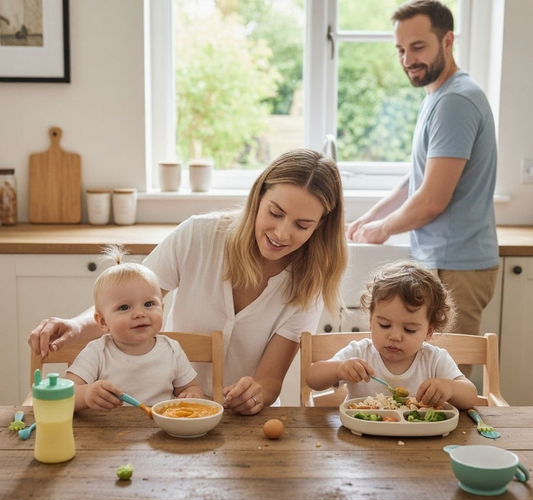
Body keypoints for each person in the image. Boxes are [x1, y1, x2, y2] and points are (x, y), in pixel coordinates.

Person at [28, 148, 348, 415]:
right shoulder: (199, 235)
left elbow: (269, 380)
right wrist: (75, 324)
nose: (281, 233)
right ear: (258, 197)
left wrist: (255, 395)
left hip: (238, 422)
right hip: (169, 411)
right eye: (275, 213)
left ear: (320, 226)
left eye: (302, 225)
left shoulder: (309, 283)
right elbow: (127, 297)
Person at [346, 0, 499, 375]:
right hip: (446, 260)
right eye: (400, 49)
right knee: (427, 384)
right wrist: (370, 216)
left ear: (447, 41)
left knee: (450, 386)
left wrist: (381, 230)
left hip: (457, 265)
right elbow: (417, 177)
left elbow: (431, 200)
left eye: (418, 47)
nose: (407, 59)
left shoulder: (455, 101)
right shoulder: (439, 95)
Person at [306, 260, 478, 410]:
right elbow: (313, 378)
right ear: (371, 321)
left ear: (429, 331)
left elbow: (470, 395)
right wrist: (339, 369)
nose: (395, 336)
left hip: (420, 441)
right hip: (360, 440)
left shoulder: (434, 359)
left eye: (409, 329)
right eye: (384, 325)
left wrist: (449, 388)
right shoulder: (359, 353)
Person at [66, 245, 203, 412]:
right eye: (124, 307)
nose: (139, 313)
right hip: (107, 434)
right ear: (102, 322)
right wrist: (86, 394)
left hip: (162, 433)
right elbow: (64, 395)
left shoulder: (172, 350)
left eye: (149, 304)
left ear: (162, 307)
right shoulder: (97, 352)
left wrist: (191, 395)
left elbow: (191, 388)